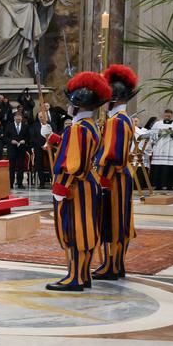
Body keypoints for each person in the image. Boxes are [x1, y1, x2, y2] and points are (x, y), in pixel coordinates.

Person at [49, 72, 110, 292]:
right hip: (89, 183)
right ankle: (83, 275)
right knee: (87, 229)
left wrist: (60, 187)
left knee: (75, 231)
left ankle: (74, 277)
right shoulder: (91, 126)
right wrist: (58, 140)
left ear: (77, 105)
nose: (68, 106)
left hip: (76, 186)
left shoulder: (78, 128)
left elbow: (73, 163)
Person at [94, 64, 139, 281]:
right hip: (120, 176)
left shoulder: (117, 122)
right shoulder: (123, 119)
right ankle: (116, 263)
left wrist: (103, 178)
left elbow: (114, 155)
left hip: (114, 177)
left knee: (114, 221)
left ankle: (112, 265)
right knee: (119, 220)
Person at [145, 109, 173, 191]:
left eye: (169, 115)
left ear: (171, 115)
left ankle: (170, 185)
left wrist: (172, 133)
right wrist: (159, 133)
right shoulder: (157, 124)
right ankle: (158, 185)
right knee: (158, 166)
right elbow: (151, 134)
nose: (167, 117)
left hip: (171, 149)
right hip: (159, 148)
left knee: (170, 166)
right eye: (166, 115)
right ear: (164, 115)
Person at [6, 110, 30, 188]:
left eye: (19, 119)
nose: (18, 121)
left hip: (21, 149)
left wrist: (24, 140)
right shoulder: (9, 126)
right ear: (14, 118)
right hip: (12, 149)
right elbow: (5, 137)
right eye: (17, 119)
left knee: (21, 167)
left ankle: (20, 183)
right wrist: (11, 141)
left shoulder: (25, 126)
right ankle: (10, 184)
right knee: (11, 167)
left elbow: (28, 137)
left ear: (21, 119)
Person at [30, 109, 53, 189]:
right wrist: (42, 145)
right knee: (39, 165)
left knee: (51, 165)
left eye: (43, 116)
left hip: (49, 147)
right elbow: (33, 137)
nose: (41, 118)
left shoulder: (50, 124)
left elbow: (53, 134)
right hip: (38, 147)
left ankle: (53, 182)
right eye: (40, 116)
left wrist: (47, 145)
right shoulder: (34, 125)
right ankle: (42, 183)